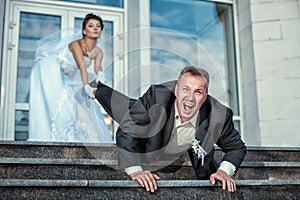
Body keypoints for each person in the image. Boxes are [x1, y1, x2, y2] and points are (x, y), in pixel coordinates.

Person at [95, 66, 247, 193]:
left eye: (198, 92)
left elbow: (237, 148)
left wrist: (223, 170)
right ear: (176, 89)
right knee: (123, 108)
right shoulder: (157, 96)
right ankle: (97, 88)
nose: (190, 98)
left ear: (205, 96)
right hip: (150, 132)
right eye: (186, 89)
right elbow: (127, 131)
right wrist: (135, 170)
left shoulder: (219, 115)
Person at [28, 13, 113, 143]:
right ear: (84, 31)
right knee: (60, 104)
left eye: (98, 26)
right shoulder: (76, 45)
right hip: (50, 70)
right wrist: (86, 86)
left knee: (83, 106)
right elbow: (82, 67)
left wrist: (100, 77)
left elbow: (97, 68)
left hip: (68, 77)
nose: (95, 28)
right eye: (91, 26)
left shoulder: (98, 51)